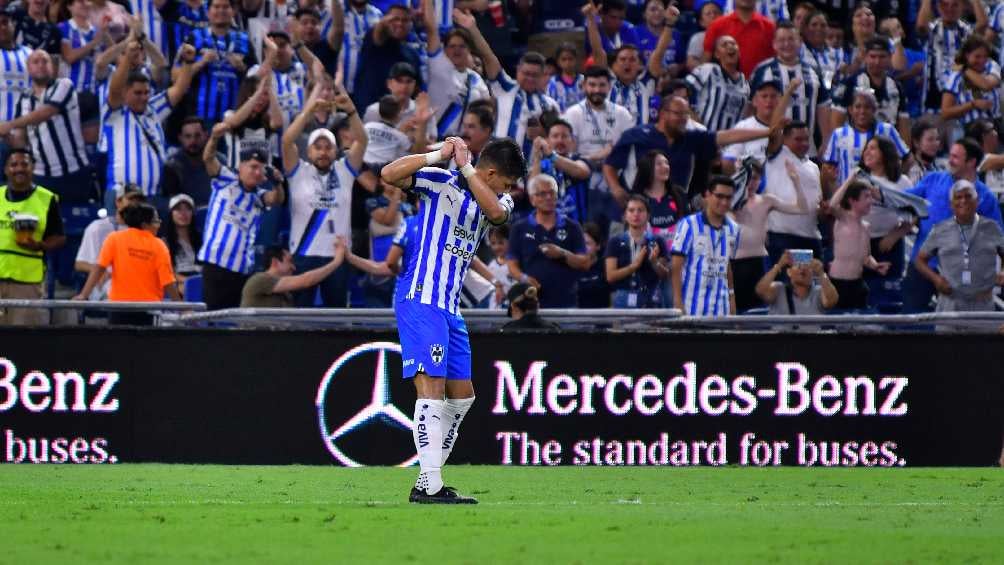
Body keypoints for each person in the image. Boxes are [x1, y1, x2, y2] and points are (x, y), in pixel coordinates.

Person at [380, 135, 524, 504]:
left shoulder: (498, 200)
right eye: (507, 182)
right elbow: (388, 173)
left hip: (450, 308)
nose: (510, 191)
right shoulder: (439, 182)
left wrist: (464, 165)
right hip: (421, 298)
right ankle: (429, 484)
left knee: (462, 398)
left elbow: (495, 213)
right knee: (431, 388)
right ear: (491, 173)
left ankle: (427, 480)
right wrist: (437, 155)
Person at [605, 95, 779, 206]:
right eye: (678, 114)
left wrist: (766, 132)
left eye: (686, 114)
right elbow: (610, 164)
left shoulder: (691, 138)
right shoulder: (637, 134)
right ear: (663, 114)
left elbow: (727, 136)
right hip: (638, 205)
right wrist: (615, 188)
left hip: (676, 206)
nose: (683, 119)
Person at [281, 86, 366, 307]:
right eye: (317, 147)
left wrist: (352, 112)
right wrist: (308, 112)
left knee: (337, 317)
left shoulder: (344, 171)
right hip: (303, 254)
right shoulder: (298, 171)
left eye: (328, 147)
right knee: (300, 316)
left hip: (337, 254)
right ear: (308, 152)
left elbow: (362, 141)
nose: (322, 151)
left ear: (336, 151)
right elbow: (286, 141)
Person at [904, 138, 1004, 312]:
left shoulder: (986, 197)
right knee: (909, 322)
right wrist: (878, 192)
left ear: (971, 162)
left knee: (961, 329)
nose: (949, 160)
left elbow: (1000, 240)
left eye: (955, 157)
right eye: (950, 155)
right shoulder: (933, 179)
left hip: (964, 275)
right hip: (923, 268)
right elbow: (903, 200)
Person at [199, 126, 285, 310]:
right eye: (253, 167)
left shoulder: (259, 196)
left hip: (242, 270)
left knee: (236, 325)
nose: (257, 172)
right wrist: (214, 137)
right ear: (240, 167)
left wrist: (277, 183)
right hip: (216, 264)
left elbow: (277, 199)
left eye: (261, 169)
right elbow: (208, 158)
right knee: (213, 319)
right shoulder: (225, 179)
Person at [457, 9, 557, 158]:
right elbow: (488, 56)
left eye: (534, 75)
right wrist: (473, 29)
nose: (529, 78)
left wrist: (540, 134)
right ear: (518, 71)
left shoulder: (549, 105)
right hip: (496, 161)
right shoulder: (505, 87)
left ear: (543, 76)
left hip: (528, 167)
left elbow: (553, 139)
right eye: (526, 73)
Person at [104, 42, 196, 198]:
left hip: (154, 196)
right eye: (138, 93)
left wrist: (188, 62)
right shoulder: (115, 113)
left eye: (146, 92)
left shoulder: (153, 109)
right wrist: (127, 58)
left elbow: (179, 89)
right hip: (123, 197)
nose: (144, 97)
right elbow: (114, 89)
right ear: (125, 93)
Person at [0, 49, 93, 204]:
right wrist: (5, 135)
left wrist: (9, 125)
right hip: (41, 175)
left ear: (53, 66)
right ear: (28, 68)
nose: (41, 65)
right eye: (36, 62)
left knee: (76, 223)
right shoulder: (23, 99)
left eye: (45, 61)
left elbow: (47, 112)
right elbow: (21, 142)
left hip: (74, 171)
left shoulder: (64, 85)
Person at [74, 202, 180, 326]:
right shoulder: (159, 245)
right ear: (145, 225)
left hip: (118, 307)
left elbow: (99, 268)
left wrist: (83, 295)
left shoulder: (113, 239)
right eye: (156, 221)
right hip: (149, 309)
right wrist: (181, 306)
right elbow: (168, 281)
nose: (158, 225)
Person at [914, 180, 1004, 312]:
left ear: (977, 201)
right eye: (958, 197)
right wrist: (936, 279)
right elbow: (920, 260)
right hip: (949, 304)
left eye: (968, 196)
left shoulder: (991, 228)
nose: (963, 201)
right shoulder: (940, 229)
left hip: (982, 305)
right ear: (951, 205)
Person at [733, 158, 808, 312]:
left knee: (760, 312)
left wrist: (796, 181)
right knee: (735, 312)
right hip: (735, 264)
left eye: (754, 178)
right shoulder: (729, 202)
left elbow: (802, 209)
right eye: (747, 177)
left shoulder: (766, 201)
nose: (750, 182)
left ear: (760, 180)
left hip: (759, 263)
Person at [0, 149, 65, 325]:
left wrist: (40, 245)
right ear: (6, 169)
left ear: (32, 168)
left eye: (24, 164)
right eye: (13, 164)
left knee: (23, 341)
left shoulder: (47, 198)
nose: (19, 168)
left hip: (27, 283)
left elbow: (59, 237)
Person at [507, 174, 591, 308]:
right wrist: (524, 279)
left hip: (566, 303)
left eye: (552, 193)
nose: (548, 197)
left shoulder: (573, 227)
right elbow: (511, 264)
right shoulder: (519, 228)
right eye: (542, 194)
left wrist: (562, 253)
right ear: (532, 199)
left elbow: (585, 263)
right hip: (532, 304)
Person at [750, 22, 832, 157]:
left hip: (807, 150)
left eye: (791, 39)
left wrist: (826, 139)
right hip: (771, 147)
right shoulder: (762, 70)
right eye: (782, 40)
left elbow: (822, 107)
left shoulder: (813, 71)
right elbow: (751, 107)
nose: (786, 44)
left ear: (800, 42)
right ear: (774, 44)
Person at [671, 175, 741, 317]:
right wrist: (678, 303)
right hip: (691, 309)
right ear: (708, 195)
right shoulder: (688, 224)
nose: (724, 202)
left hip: (721, 310)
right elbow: (676, 266)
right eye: (720, 196)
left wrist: (732, 300)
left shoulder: (734, 229)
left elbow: (727, 265)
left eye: (728, 198)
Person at [179, 0, 256, 124]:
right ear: (208, 12)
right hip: (199, 117)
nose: (221, 11)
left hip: (235, 115)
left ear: (233, 11)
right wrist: (201, 62)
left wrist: (242, 67)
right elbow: (176, 76)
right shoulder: (194, 37)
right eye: (216, 7)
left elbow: (256, 78)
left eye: (226, 7)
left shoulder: (244, 40)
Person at [560, 66, 634, 194]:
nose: (597, 90)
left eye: (602, 85)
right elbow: (569, 152)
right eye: (592, 85)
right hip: (582, 179)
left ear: (609, 86)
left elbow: (628, 149)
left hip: (616, 179)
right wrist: (595, 157)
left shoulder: (622, 114)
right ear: (583, 86)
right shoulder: (572, 114)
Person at [857, 136, 915, 297]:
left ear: (885, 153)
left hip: (890, 245)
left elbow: (914, 215)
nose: (867, 152)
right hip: (862, 244)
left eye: (872, 148)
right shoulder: (858, 178)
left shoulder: (902, 181)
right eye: (866, 149)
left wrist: (894, 235)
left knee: (889, 295)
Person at [423, 0, 488, 139]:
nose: (457, 50)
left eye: (462, 46)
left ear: (469, 50)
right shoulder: (438, 65)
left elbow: (486, 110)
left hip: (463, 145)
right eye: (452, 46)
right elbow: (431, 30)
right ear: (445, 50)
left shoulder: (476, 79)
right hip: (434, 141)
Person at [827, 177, 892, 310]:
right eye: (866, 197)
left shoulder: (866, 227)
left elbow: (866, 257)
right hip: (838, 283)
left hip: (857, 284)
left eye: (870, 196)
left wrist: (875, 266)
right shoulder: (843, 218)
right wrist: (850, 180)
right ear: (852, 201)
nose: (871, 201)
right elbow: (832, 205)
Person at [764, 121, 824, 263]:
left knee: (814, 284)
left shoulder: (814, 167)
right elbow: (771, 135)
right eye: (798, 139)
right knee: (788, 283)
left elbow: (817, 201)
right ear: (784, 140)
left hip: (812, 236)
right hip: (784, 237)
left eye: (806, 139)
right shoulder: (776, 156)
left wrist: (822, 209)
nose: (804, 143)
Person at [822, 89, 909, 186]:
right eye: (858, 107)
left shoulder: (886, 130)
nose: (862, 111)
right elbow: (828, 168)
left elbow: (907, 158)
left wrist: (894, 180)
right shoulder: (839, 134)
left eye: (867, 107)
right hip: (847, 195)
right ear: (850, 110)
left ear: (874, 110)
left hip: (883, 194)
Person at [830, 37, 910, 141]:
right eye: (873, 56)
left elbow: (904, 125)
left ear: (890, 57)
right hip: (856, 145)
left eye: (882, 57)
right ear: (865, 57)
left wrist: (905, 153)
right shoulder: (849, 84)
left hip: (889, 147)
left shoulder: (897, 87)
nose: (877, 61)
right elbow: (836, 123)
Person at [74, 183, 145, 301]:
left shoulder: (145, 230)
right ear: (118, 202)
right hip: (108, 285)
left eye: (139, 200)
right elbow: (80, 264)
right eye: (131, 199)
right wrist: (102, 271)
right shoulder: (98, 228)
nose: (136, 204)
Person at [916, 0, 986, 114]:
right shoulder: (933, 28)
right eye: (944, 4)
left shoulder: (965, 30)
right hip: (933, 102)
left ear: (962, 7)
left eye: (955, 5)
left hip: (961, 103)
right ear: (938, 7)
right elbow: (921, 25)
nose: (949, 9)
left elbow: (982, 25)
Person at [352, 4, 422, 111]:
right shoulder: (375, 41)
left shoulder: (412, 54)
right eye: (395, 19)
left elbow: (416, 89)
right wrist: (386, 20)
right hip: (368, 113)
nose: (399, 23)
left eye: (405, 20)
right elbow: (378, 33)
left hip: (399, 117)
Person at [605, 195, 669, 307]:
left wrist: (654, 262)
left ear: (648, 215)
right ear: (625, 215)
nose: (636, 214)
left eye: (640, 210)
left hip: (651, 298)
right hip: (624, 298)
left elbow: (664, 274)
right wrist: (633, 267)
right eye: (631, 210)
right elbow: (610, 276)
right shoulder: (615, 242)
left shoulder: (657, 241)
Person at [241, 240, 347, 307]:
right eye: (290, 261)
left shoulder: (287, 294)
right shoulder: (260, 280)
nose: (294, 267)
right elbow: (306, 281)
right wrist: (336, 262)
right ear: (275, 262)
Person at [529, 120, 592, 225]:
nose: (560, 140)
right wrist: (536, 156)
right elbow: (532, 188)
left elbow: (581, 171)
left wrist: (551, 155)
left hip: (577, 226)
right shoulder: (541, 166)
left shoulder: (579, 160)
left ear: (572, 141)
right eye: (555, 136)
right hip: (546, 226)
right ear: (548, 140)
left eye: (564, 136)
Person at [685, 35, 749, 132]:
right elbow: (682, 91)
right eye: (724, 45)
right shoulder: (707, 70)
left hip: (731, 143)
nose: (730, 46)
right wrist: (695, 121)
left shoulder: (745, 83)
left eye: (733, 44)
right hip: (703, 137)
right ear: (717, 54)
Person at [940, 36, 1001, 132]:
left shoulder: (992, 66)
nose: (982, 61)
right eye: (977, 56)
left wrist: (964, 69)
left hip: (995, 124)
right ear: (967, 55)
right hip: (970, 129)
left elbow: (986, 85)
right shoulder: (955, 77)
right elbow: (945, 113)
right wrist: (972, 105)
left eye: (985, 56)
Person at [703, 0, 775, 78]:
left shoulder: (769, 27)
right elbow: (706, 60)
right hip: (725, 86)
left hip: (761, 85)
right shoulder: (716, 26)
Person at [755, 250, 839, 314]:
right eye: (798, 265)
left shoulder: (819, 292)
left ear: (812, 273)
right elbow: (760, 290)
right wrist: (778, 266)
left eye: (806, 266)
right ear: (789, 272)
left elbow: (832, 301)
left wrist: (821, 273)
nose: (802, 269)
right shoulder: (778, 289)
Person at [631, 149, 688, 239]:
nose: (665, 167)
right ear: (648, 167)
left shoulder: (679, 194)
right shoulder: (638, 198)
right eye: (659, 164)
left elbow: (688, 226)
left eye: (666, 163)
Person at [162, 117, 212, 206]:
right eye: (188, 136)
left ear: (206, 135)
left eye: (197, 135)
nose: (193, 141)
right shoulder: (172, 166)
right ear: (180, 138)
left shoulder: (220, 161)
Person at [160, 193, 202, 286]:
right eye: (178, 209)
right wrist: (188, 281)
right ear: (171, 214)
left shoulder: (202, 238)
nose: (183, 213)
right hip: (180, 281)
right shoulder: (164, 242)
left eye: (188, 209)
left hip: (201, 278)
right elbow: (166, 272)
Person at [0, 11, 33, 125]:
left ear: (13, 25)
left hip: (26, 127)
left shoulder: (30, 54)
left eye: (5, 22)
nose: (2, 27)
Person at [577, 221, 610, 307]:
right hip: (576, 318)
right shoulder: (571, 267)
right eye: (581, 243)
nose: (583, 247)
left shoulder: (606, 266)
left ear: (598, 246)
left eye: (587, 243)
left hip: (601, 318)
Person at [545, 42, 584, 114]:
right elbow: (549, 105)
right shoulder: (552, 83)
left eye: (570, 59)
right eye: (564, 59)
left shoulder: (583, 80)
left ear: (576, 60)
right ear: (558, 62)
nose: (567, 63)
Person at [905, 118, 946, 184]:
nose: (936, 143)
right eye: (930, 139)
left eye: (937, 139)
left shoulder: (942, 166)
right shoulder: (912, 172)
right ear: (916, 143)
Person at [686, 0, 722, 72]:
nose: (713, 15)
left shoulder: (728, 36)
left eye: (716, 12)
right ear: (701, 22)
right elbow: (690, 64)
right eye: (708, 14)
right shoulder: (698, 38)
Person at [486, 225, 514, 309]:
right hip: (493, 310)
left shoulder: (516, 265)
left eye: (501, 243)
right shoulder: (491, 265)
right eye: (493, 243)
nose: (496, 247)